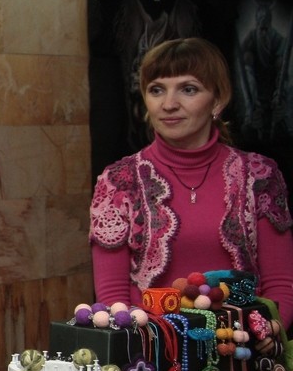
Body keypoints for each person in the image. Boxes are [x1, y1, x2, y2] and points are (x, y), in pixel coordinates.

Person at [90, 36, 293, 328]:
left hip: (245, 345)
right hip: (148, 348)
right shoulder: (118, 181)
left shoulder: (259, 175)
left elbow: (281, 284)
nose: (169, 104)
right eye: (157, 90)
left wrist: (266, 333)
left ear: (218, 100)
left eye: (188, 89)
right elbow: (113, 298)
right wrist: (149, 345)